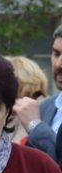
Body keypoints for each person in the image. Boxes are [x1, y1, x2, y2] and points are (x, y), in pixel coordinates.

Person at [16, 24, 62, 164]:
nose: (59, 64)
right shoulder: (45, 107)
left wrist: (35, 125)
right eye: (56, 54)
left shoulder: (34, 118)